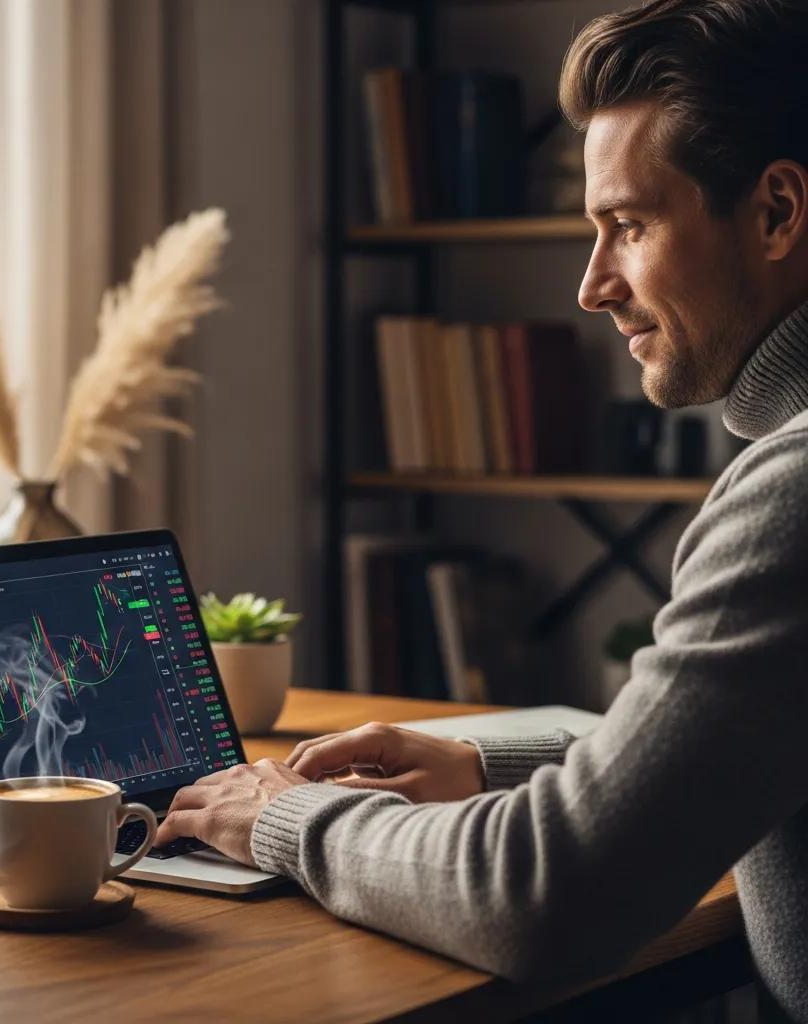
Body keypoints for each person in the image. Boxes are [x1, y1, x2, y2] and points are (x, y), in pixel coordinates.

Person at [157, 0, 808, 1018]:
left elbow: (547, 895)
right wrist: (480, 763)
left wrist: (287, 817)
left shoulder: (794, 493)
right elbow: (741, 746)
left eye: (628, 226)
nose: (592, 285)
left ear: (776, 212)